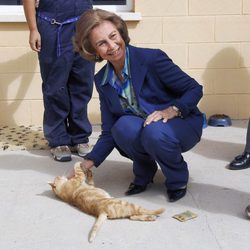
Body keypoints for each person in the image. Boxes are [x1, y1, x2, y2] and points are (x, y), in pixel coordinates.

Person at [73, 9, 204, 202]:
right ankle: (144, 173)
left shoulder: (151, 59)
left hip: (182, 124)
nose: (112, 46)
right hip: (149, 129)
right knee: (122, 127)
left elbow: (194, 89)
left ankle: (177, 179)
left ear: (120, 32)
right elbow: (109, 132)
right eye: (102, 43)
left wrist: (173, 109)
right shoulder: (102, 80)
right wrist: (85, 164)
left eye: (113, 36)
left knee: (154, 131)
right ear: (93, 50)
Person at [23, 0, 95, 162]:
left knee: (83, 84)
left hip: (85, 26)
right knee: (55, 87)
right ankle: (58, 139)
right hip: (52, 25)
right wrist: (33, 29)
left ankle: (80, 137)